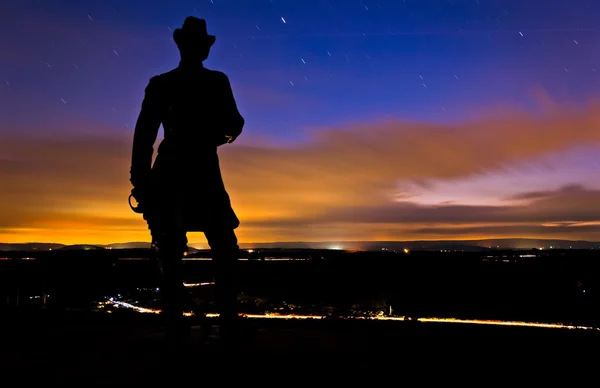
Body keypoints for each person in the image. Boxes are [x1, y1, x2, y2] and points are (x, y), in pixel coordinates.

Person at [129, 16, 245, 349]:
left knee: (209, 247)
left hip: (183, 171)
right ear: (185, 45)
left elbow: (145, 138)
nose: (199, 49)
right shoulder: (201, 82)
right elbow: (233, 125)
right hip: (192, 171)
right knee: (196, 248)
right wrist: (141, 181)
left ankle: (192, 326)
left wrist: (141, 179)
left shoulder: (168, 83)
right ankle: (209, 326)